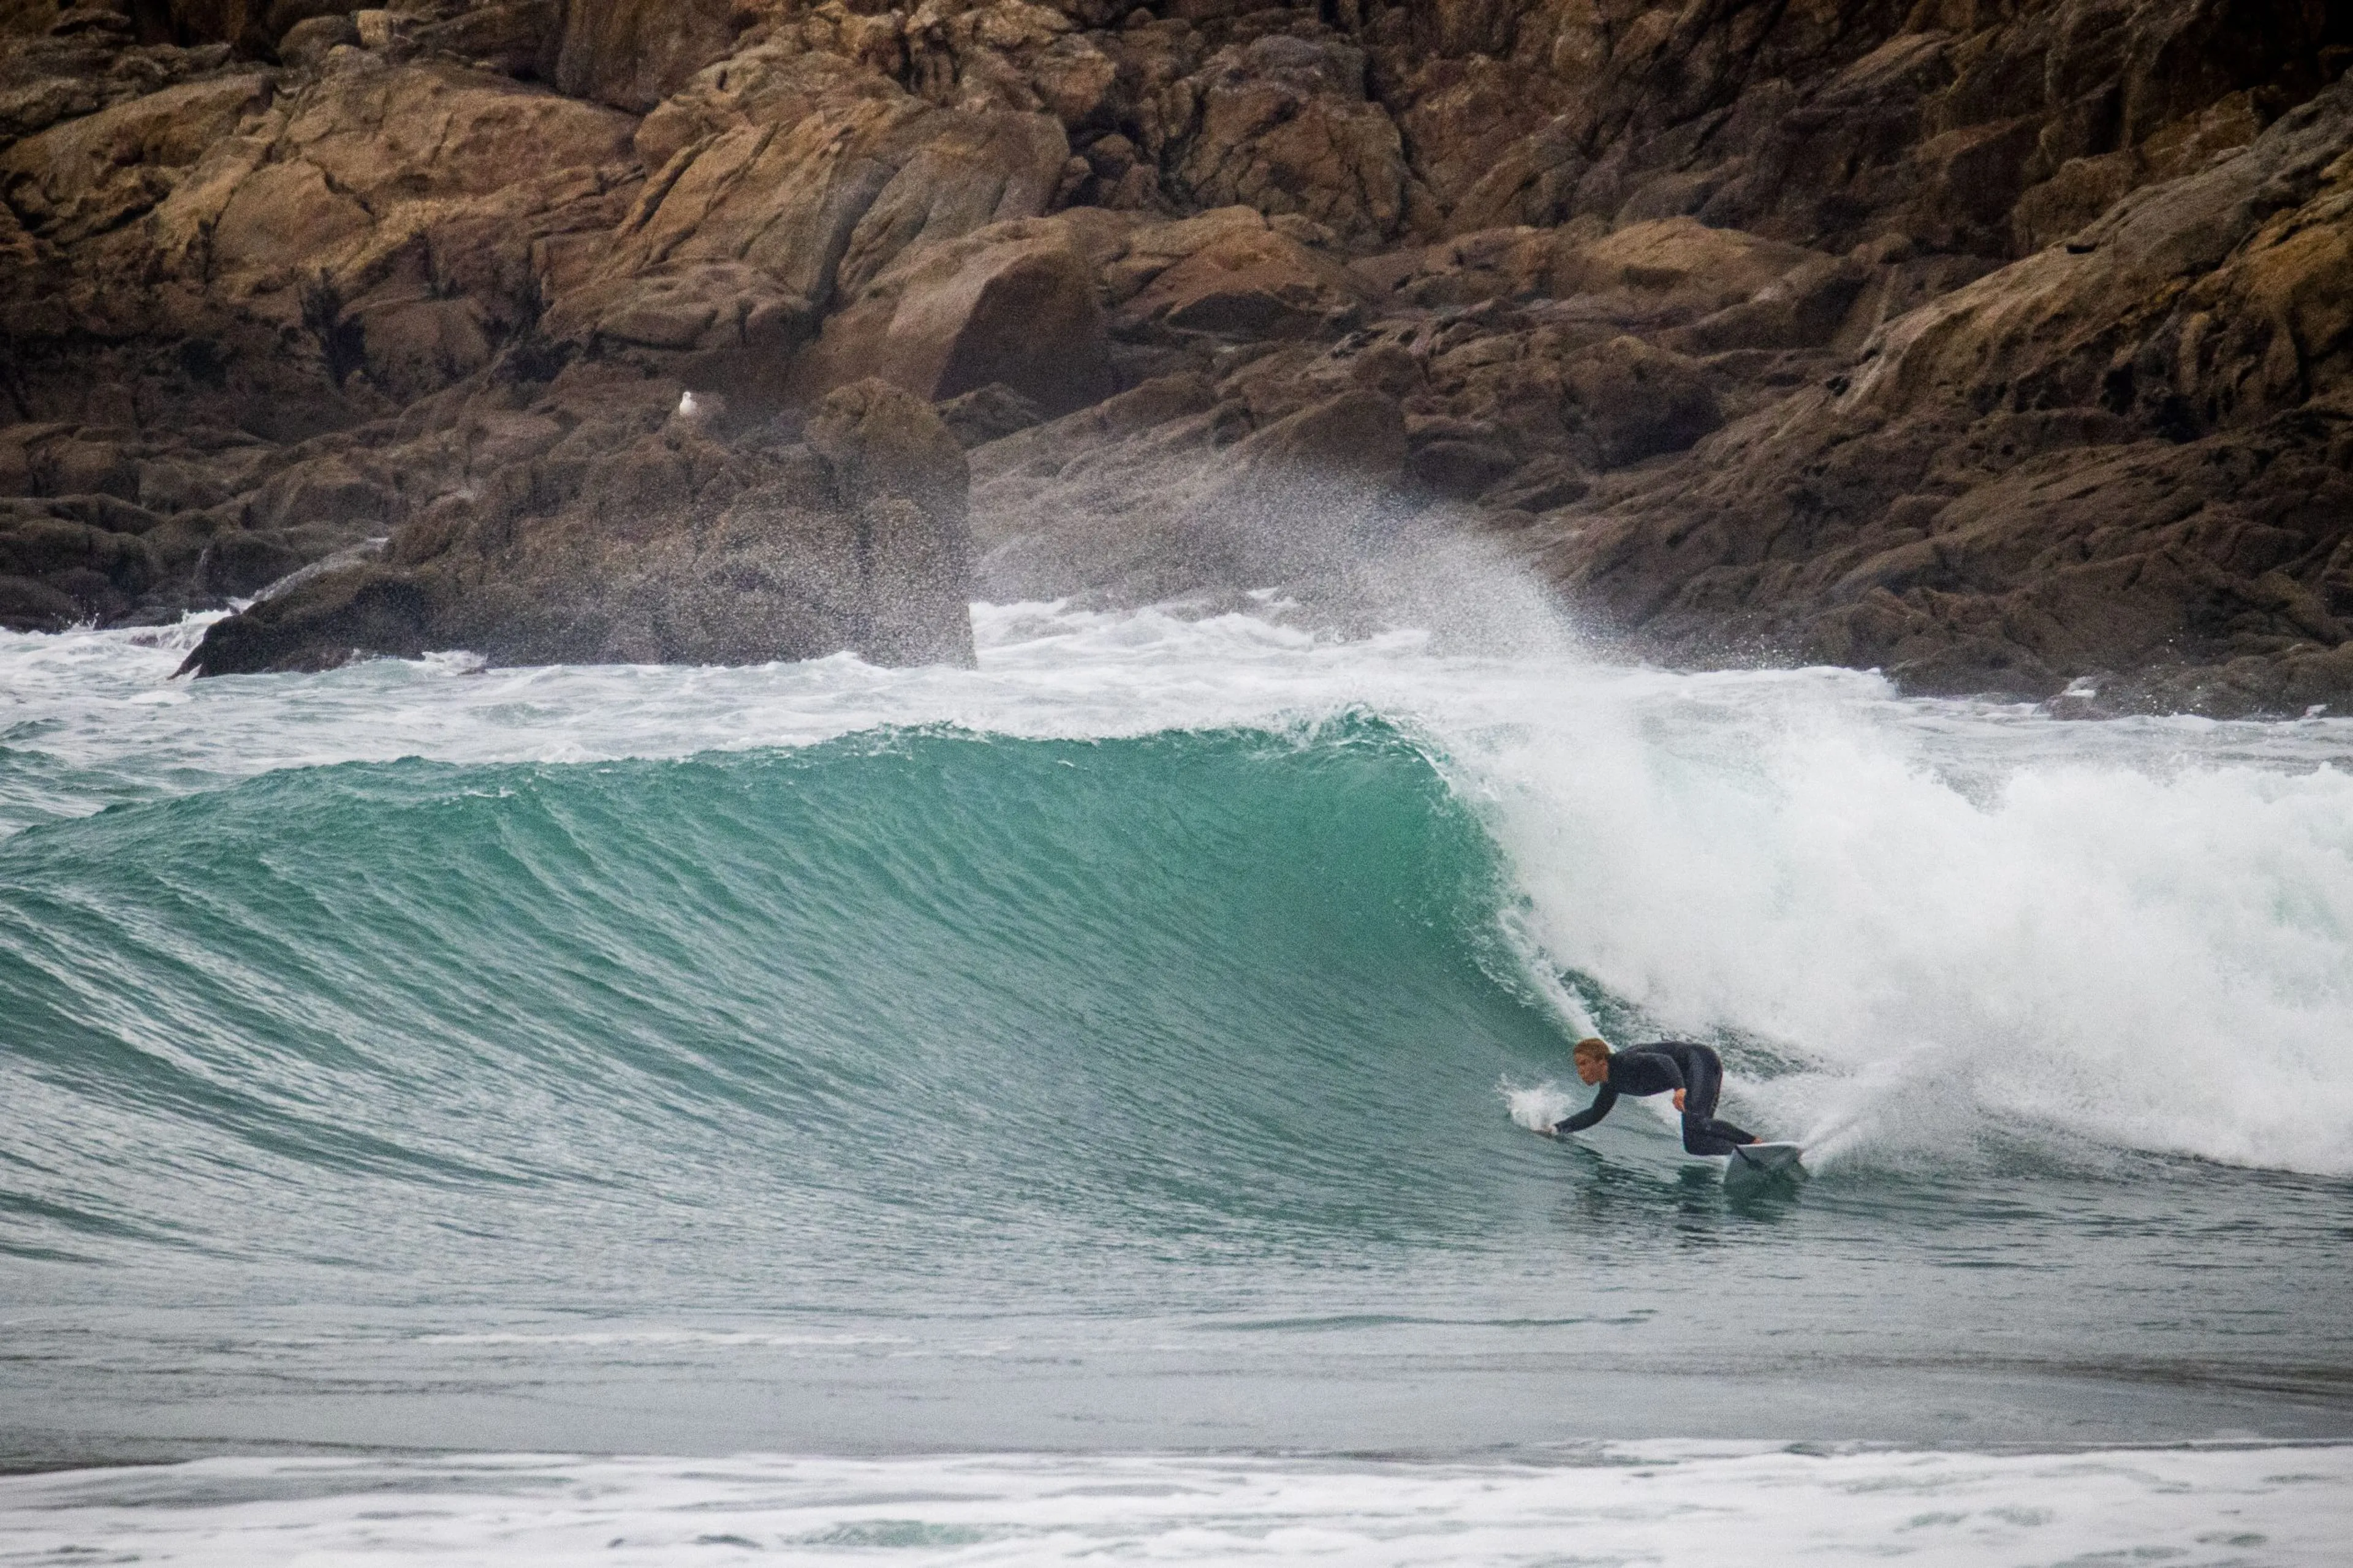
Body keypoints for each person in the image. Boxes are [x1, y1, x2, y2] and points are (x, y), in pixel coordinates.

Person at [1552, 1037, 1760, 1156]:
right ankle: (1744, 1153)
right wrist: (1557, 1129)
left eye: (1584, 1064)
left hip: (1699, 1061)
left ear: (1602, 1061)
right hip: (1688, 1075)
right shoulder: (1610, 1085)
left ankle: (1754, 1143)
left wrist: (1679, 1088)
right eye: (1578, 1066)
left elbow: (1665, 1061)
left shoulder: (1626, 1062)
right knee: (1694, 1144)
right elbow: (1594, 1114)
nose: (1581, 1071)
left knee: (1697, 1122)